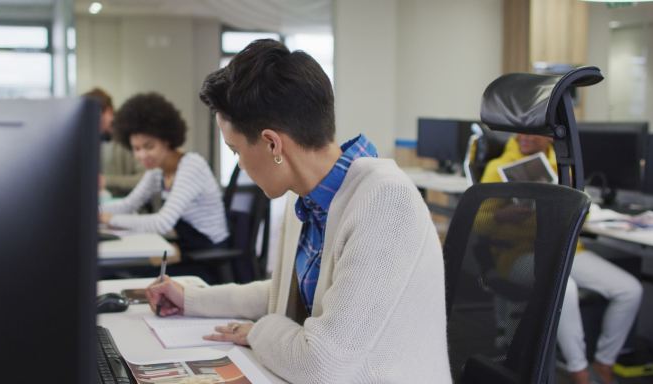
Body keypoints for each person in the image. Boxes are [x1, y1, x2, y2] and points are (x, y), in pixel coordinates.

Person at [146, 39, 451, 383]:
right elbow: (280, 296)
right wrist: (191, 300)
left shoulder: (384, 203)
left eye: (235, 151)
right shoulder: (306, 199)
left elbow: (321, 366)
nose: (241, 165)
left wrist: (256, 332)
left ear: (272, 143)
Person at [481, 134, 642, 384]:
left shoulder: (564, 168)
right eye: (519, 132)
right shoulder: (498, 167)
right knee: (564, 288)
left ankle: (604, 363)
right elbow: (478, 223)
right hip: (518, 255)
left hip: (567, 250)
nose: (523, 137)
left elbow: (583, 218)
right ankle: (580, 371)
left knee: (629, 290)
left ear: (549, 136)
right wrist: (501, 217)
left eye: (532, 132)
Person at [99, 92, 229, 255]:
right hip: (184, 245)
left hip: (207, 253)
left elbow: (162, 223)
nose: (142, 155)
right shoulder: (157, 170)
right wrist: (94, 211)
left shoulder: (192, 165)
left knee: (128, 269)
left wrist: (109, 219)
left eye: (149, 146)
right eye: (136, 148)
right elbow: (129, 204)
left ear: (166, 140)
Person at [84, 87, 144, 197]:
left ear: (109, 111)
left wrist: (106, 180)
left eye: (98, 117)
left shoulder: (132, 138)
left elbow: (144, 178)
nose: (94, 123)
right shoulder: (94, 140)